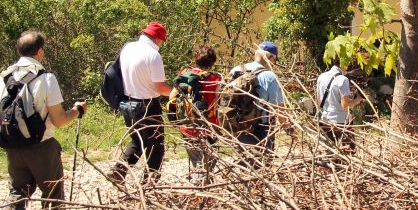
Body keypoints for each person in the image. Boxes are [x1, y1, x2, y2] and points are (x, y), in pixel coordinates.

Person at [0, 31, 86, 210]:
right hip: (42, 148)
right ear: (39, 51)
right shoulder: (46, 78)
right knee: (52, 195)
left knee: (17, 195)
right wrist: (77, 110)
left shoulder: (3, 77)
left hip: (12, 147)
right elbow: (59, 120)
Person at [108, 22, 172, 186]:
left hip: (128, 104)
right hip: (148, 106)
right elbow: (160, 87)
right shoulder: (153, 55)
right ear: (157, 39)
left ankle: (118, 171)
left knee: (137, 141)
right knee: (156, 148)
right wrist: (175, 92)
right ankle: (149, 186)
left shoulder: (128, 48)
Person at [172, 45, 222, 185]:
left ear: (196, 59)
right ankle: (199, 189)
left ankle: (201, 185)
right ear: (212, 61)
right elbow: (219, 103)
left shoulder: (184, 74)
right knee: (209, 159)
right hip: (208, 126)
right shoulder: (215, 79)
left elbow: (172, 97)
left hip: (186, 124)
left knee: (196, 159)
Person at [229, 41, 288, 160]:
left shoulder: (235, 70)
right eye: (274, 60)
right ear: (270, 57)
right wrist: (289, 128)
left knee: (244, 164)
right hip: (261, 128)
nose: (274, 63)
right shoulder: (269, 76)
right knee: (263, 166)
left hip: (237, 125)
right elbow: (279, 107)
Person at [316, 57, 364, 151]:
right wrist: (358, 98)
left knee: (329, 153)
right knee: (348, 152)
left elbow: (318, 101)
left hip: (325, 120)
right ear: (343, 63)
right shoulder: (343, 80)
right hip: (340, 123)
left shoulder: (321, 76)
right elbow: (345, 106)